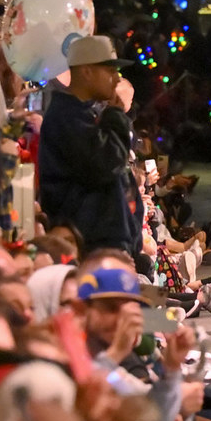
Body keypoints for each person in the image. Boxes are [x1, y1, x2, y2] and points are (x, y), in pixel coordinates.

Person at [36, 33, 146, 259]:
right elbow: (109, 163)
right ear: (86, 72)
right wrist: (115, 117)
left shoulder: (82, 113)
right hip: (90, 245)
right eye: (110, 70)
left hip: (102, 242)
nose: (117, 79)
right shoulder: (66, 117)